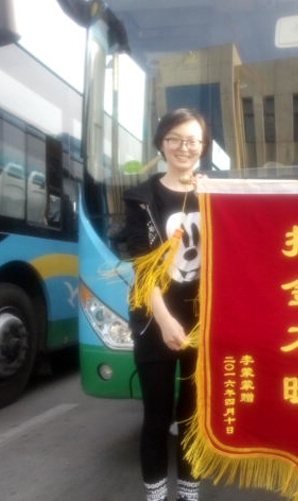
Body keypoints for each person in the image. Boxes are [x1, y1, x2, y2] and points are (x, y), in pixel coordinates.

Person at [124, 108, 210, 501]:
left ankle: (189, 494)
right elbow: (143, 268)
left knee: (192, 417)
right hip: (153, 319)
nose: (183, 147)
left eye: (192, 140)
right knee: (157, 417)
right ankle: (156, 496)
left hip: (202, 319)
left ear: (202, 147)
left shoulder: (214, 195)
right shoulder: (141, 198)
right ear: (161, 143)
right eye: (175, 139)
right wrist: (164, 320)